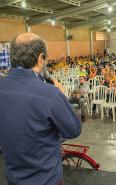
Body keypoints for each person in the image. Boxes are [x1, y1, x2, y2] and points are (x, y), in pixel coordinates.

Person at [0, 33, 81, 185]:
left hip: (13, 178)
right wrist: (62, 96)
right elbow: (73, 129)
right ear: (40, 59)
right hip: (46, 179)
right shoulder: (49, 94)